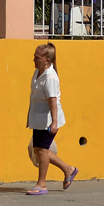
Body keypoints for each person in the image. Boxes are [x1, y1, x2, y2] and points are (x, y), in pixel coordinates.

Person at [26, 43, 78, 196]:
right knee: (39, 150)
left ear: (47, 60)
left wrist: (54, 122)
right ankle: (69, 169)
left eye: (37, 58)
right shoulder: (37, 73)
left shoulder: (50, 77)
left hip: (48, 120)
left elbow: (52, 101)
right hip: (39, 119)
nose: (34, 60)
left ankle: (41, 184)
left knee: (42, 150)